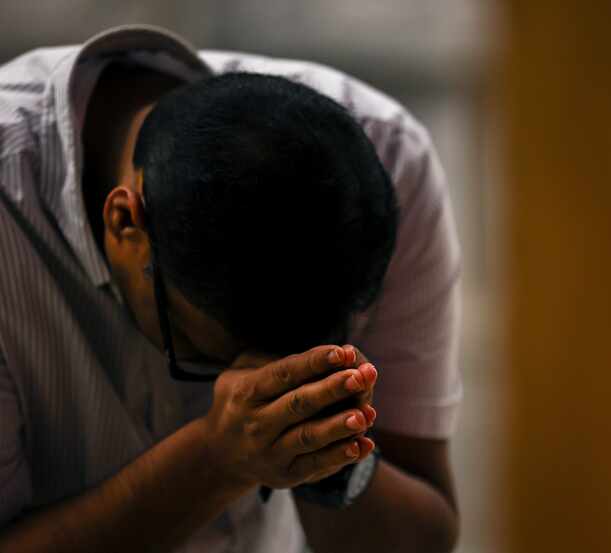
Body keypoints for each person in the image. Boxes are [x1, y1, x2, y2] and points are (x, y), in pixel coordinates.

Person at [0, 24, 462, 553]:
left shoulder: (391, 160)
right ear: (126, 223)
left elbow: (428, 535)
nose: (250, 382)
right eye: (199, 353)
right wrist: (215, 459)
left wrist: (323, 452)